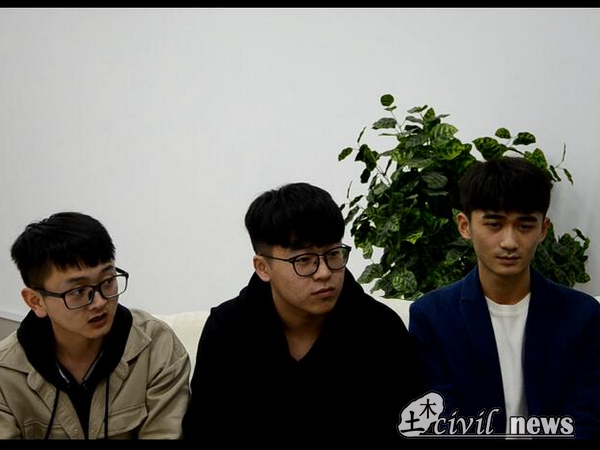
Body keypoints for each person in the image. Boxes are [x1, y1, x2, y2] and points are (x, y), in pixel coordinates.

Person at [182, 182, 422, 445]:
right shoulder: (228, 329)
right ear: (263, 267)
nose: (324, 273)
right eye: (304, 260)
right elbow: (205, 430)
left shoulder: (379, 328)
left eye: (333, 254)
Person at [408, 156, 600, 439]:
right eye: (494, 225)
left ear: (543, 229)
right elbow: (440, 419)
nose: (509, 242)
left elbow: (587, 417)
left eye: (524, 226)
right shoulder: (433, 316)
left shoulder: (581, 315)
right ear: (464, 226)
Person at [0, 212, 191, 439]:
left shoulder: (157, 346)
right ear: (36, 301)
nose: (100, 302)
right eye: (79, 291)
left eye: (108, 281)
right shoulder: (6, 372)